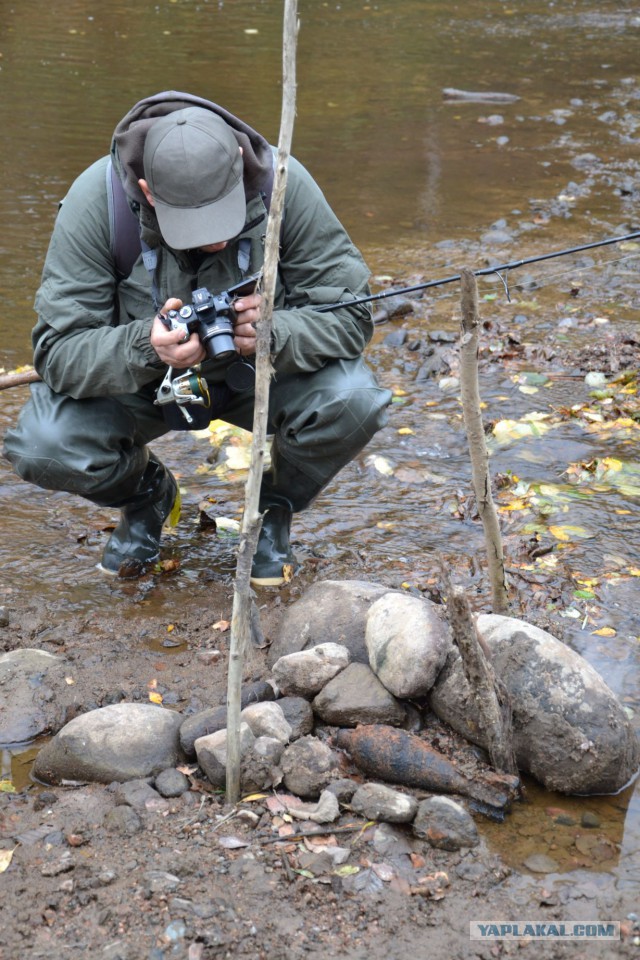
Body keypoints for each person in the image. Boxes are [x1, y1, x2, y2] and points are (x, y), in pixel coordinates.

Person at [3, 91, 391, 586]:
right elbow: (57, 352)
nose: (217, 240)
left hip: (258, 372)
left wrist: (278, 333)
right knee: (43, 445)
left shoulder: (284, 183)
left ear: (237, 166)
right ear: (146, 191)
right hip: (147, 381)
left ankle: (273, 509)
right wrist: (145, 346)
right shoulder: (97, 204)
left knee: (354, 400)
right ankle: (147, 496)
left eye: (225, 218)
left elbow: (353, 316)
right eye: (194, 226)